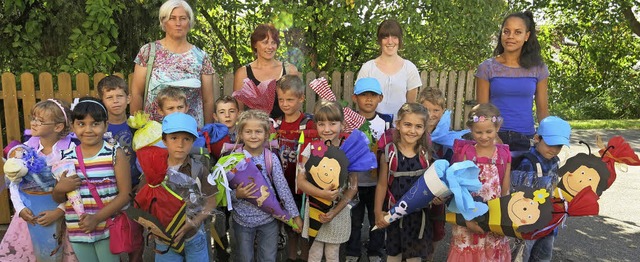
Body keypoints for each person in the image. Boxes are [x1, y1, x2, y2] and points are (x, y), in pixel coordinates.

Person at [52, 98, 131, 262]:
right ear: (73, 126)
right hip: (78, 230)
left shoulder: (115, 154)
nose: (88, 129)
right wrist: (60, 189)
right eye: (81, 124)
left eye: (95, 124)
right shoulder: (65, 158)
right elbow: (59, 198)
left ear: (106, 126)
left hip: (108, 228)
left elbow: (125, 195)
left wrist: (96, 218)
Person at [0, 99, 77, 261]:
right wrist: (20, 208)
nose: (33, 123)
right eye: (33, 118)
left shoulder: (70, 151)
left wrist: (59, 211)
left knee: (58, 253)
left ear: (58, 127)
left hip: (62, 215)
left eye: (40, 121)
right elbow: (14, 184)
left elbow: (75, 188)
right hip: (31, 214)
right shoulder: (25, 149)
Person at [231, 110, 303, 262]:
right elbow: (222, 192)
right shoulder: (233, 159)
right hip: (242, 220)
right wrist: (236, 195)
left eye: (258, 131)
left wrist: (295, 216)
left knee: (269, 257)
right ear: (241, 134)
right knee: (245, 258)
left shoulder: (271, 158)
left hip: (269, 220)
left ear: (266, 134)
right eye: (248, 131)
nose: (253, 135)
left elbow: (283, 189)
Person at [130, 0, 215, 127]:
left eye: (183, 18)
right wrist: (137, 128)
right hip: (154, 132)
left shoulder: (201, 57)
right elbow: (137, 93)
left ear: (189, 22)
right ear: (163, 22)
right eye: (172, 18)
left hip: (191, 133)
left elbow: (208, 100)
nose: (178, 23)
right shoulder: (148, 52)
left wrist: (208, 132)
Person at [476, 11, 549, 154]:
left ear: (526, 36)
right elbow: (482, 110)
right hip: (493, 138)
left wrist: (547, 137)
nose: (510, 37)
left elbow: (542, 110)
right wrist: (494, 138)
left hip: (526, 138)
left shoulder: (538, 68)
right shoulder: (487, 68)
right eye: (506, 31)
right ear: (501, 34)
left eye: (517, 32)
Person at [447, 103, 511, 261]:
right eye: (478, 132)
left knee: (491, 253)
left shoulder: (503, 155)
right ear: (470, 129)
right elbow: (459, 190)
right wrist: (468, 220)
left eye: (489, 131)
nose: (484, 136)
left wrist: (502, 220)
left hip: (493, 218)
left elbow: (505, 190)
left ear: (498, 127)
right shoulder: (466, 153)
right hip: (467, 216)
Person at [297, 100, 359, 262]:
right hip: (316, 210)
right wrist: (322, 193)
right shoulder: (310, 149)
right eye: (321, 124)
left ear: (342, 125)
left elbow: (353, 188)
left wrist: (334, 211)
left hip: (338, 211)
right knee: (314, 253)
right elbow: (301, 181)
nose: (327, 129)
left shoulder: (349, 150)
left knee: (333, 254)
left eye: (332, 123)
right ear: (316, 125)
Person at [152, 112, 218, 261]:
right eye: (174, 138)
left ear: (193, 141)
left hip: (194, 235)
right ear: (164, 140)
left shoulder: (199, 169)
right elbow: (144, 202)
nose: (180, 144)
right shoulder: (154, 170)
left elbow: (211, 202)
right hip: (165, 239)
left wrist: (194, 222)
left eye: (186, 139)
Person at [374, 103, 433, 262]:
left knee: (414, 258)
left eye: (418, 126)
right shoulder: (389, 153)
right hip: (394, 215)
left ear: (424, 129)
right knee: (393, 256)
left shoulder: (425, 155)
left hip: (418, 217)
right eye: (408, 124)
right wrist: (378, 212)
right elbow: (382, 184)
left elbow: (431, 185)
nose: (412, 130)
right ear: (398, 125)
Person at [511, 116, 571, 262]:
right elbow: (519, 196)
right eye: (550, 144)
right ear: (537, 138)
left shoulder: (554, 162)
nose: (554, 150)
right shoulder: (528, 163)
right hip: (529, 223)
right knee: (522, 255)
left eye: (559, 146)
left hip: (548, 222)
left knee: (543, 256)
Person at [345, 77, 391, 262]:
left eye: (373, 95)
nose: (369, 99)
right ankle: (352, 251)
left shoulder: (386, 122)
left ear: (380, 98)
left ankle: (375, 250)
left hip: (376, 182)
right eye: (364, 95)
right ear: (355, 98)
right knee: (354, 220)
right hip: (353, 181)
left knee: (376, 218)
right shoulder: (348, 120)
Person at [273, 75, 315, 262]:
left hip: (303, 186)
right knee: (290, 226)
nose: (285, 104)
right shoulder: (275, 124)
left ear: (301, 98)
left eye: (290, 99)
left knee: (304, 227)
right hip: (282, 185)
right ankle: (290, 257)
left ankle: (305, 257)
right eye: (281, 99)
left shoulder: (310, 123)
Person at [357, 19, 422, 119]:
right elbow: (361, 101)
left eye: (394, 37)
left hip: (400, 129)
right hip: (371, 128)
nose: (390, 41)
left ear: (400, 40)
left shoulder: (410, 68)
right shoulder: (368, 68)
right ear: (380, 40)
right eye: (385, 37)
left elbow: (411, 107)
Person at [233, 23, 300, 118]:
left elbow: (296, 106)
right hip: (254, 130)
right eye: (265, 42)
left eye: (273, 42)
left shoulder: (290, 70)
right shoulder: (243, 73)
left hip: (285, 129)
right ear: (255, 44)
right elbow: (238, 111)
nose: (270, 47)